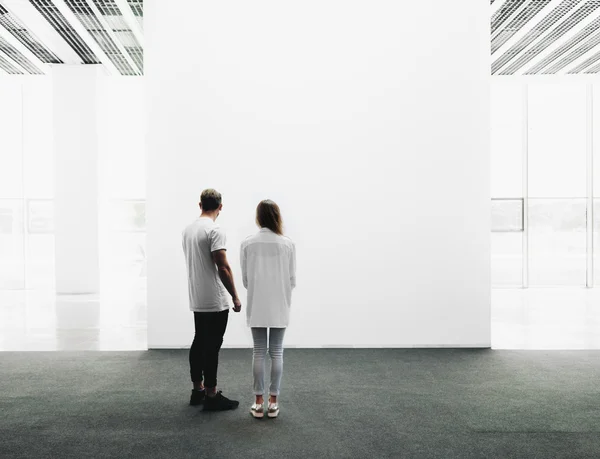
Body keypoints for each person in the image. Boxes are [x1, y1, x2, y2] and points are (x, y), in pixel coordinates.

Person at [182, 188, 242, 411]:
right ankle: (212, 395)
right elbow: (223, 266)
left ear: (200, 205)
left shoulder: (188, 230)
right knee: (212, 347)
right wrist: (235, 296)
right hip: (215, 299)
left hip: (197, 296)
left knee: (199, 342)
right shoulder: (215, 230)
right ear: (220, 207)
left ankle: (197, 390)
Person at [240, 200, 296, 419]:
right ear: (277, 216)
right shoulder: (287, 243)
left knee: (259, 352)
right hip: (280, 304)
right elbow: (292, 279)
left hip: (257, 304)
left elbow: (245, 279)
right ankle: (274, 401)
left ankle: (258, 401)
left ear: (258, 217)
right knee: (277, 352)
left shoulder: (247, 243)